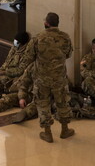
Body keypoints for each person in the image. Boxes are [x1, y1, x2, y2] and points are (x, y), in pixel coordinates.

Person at [25, 12, 74, 143]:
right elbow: (68, 54)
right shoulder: (65, 37)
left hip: (42, 79)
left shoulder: (37, 38)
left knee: (43, 103)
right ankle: (65, 130)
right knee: (62, 102)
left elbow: (29, 57)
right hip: (59, 78)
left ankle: (47, 133)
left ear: (46, 23)